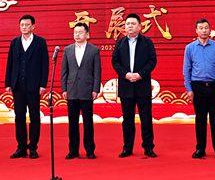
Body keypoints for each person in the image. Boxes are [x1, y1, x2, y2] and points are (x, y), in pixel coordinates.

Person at [111, 13, 157, 158]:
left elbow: (152, 61)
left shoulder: (147, 42)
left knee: (146, 118)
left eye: (133, 23)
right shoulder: (120, 43)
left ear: (139, 26)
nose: (130, 26)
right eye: (127, 24)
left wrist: (140, 74)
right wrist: (125, 74)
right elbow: (115, 62)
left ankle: (148, 147)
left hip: (142, 85)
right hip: (126, 86)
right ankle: (127, 148)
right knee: (127, 119)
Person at [183, 18, 215, 159]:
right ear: (196, 31)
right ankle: (200, 149)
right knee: (200, 119)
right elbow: (186, 70)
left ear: (210, 30)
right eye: (201, 28)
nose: (204, 30)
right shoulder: (190, 48)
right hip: (198, 87)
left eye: (206, 28)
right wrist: (189, 89)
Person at [5, 14, 49, 159]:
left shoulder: (40, 42)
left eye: (27, 25)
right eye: (22, 25)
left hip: (34, 86)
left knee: (34, 116)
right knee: (19, 116)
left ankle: (33, 147)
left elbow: (45, 64)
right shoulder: (15, 42)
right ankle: (21, 147)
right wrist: (8, 83)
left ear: (33, 26)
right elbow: (10, 63)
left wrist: (43, 84)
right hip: (18, 85)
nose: (24, 27)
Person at [61, 22, 101, 159]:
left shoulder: (94, 50)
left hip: (87, 90)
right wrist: (64, 88)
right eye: (75, 32)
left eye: (80, 32)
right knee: (72, 123)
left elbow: (97, 72)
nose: (77, 35)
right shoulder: (67, 50)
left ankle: (90, 150)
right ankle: (73, 151)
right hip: (71, 90)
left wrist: (95, 89)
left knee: (88, 122)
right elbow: (64, 72)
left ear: (87, 34)